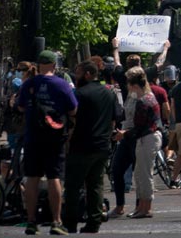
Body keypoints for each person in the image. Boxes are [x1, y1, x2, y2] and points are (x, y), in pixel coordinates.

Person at [17, 50, 77, 236]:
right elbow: (73, 110)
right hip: (54, 136)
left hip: (33, 136)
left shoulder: (29, 84)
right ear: (53, 65)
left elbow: (19, 106)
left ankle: (31, 221)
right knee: (54, 178)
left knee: (32, 178)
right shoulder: (62, 84)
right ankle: (56, 221)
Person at [62, 61, 120, 234]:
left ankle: (70, 223)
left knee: (73, 185)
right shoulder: (109, 94)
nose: (75, 76)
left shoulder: (79, 94)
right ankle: (94, 222)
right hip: (102, 145)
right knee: (95, 185)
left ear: (87, 74)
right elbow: (113, 119)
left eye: (78, 73)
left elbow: (72, 119)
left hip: (82, 145)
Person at [118, 67, 160, 219]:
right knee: (140, 174)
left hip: (147, 138)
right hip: (146, 138)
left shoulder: (143, 101)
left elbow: (140, 127)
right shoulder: (147, 97)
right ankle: (142, 206)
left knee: (145, 174)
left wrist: (124, 134)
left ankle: (146, 208)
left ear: (133, 85)